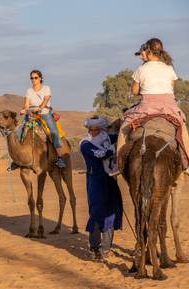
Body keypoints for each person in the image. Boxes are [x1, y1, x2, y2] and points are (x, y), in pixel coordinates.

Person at [117, 38, 189, 174]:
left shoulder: (141, 69)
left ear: (148, 51)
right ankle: (188, 164)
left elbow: (134, 91)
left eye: (143, 51)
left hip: (146, 107)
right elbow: (172, 87)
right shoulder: (169, 68)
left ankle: (118, 164)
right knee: (183, 129)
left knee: (123, 130)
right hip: (169, 106)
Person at [80, 116, 123, 260]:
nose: (93, 132)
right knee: (97, 213)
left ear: (101, 129)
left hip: (110, 179)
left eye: (96, 129)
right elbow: (101, 154)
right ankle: (94, 248)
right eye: (90, 129)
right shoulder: (85, 144)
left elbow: (121, 135)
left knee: (111, 212)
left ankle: (105, 248)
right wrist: (112, 150)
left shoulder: (107, 138)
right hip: (95, 181)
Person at [20, 70, 66, 168]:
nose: (33, 80)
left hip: (44, 113)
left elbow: (46, 100)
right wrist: (24, 110)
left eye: (35, 77)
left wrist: (40, 108)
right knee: (20, 130)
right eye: (31, 78)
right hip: (32, 114)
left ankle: (60, 157)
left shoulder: (46, 88)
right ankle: (18, 158)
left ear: (40, 78)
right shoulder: (29, 91)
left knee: (53, 132)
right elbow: (26, 105)